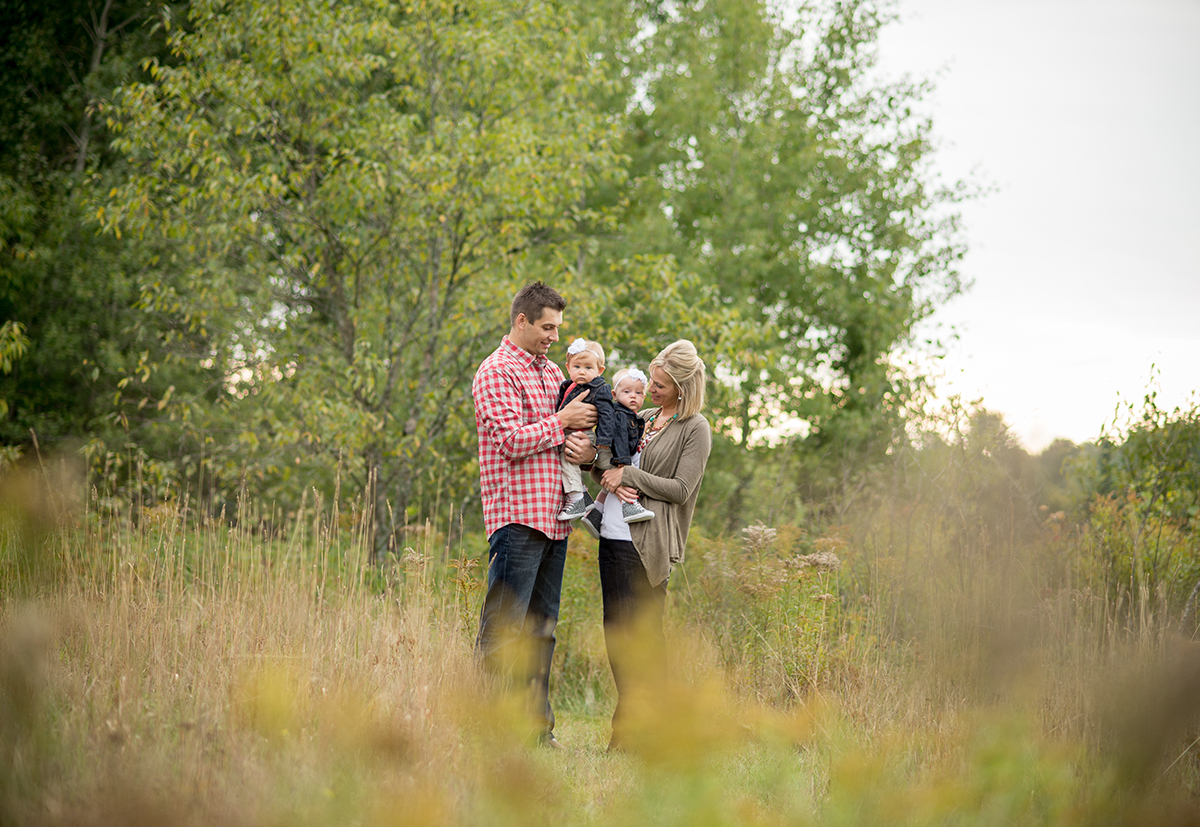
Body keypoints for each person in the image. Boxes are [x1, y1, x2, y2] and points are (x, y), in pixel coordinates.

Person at [471, 281, 598, 749]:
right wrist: (563, 422)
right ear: (521, 320)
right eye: (547, 327)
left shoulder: (551, 375)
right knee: (503, 631)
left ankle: (537, 733)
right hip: (517, 518)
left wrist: (582, 449)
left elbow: (562, 446)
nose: (553, 336)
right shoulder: (496, 371)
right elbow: (510, 441)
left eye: (558, 328)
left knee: (542, 631)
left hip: (556, 520)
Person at [591, 339, 711, 750]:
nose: (651, 389)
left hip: (648, 545)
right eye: (651, 380)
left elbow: (680, 489)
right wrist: (596, 462)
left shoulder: (694, 428)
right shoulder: (641, 416)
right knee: (616, 635)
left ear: (681, 386)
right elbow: (610, 470)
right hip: (611, 537)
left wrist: (628, 475)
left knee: (643, 640)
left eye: (660, 384)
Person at [555, 341, 653, 524]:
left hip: (589, 436)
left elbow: (608, 416)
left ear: (599, 371)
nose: (582, 371)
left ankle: (627, 504)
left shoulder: (599, 389)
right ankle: (586, 501)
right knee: (599, 470)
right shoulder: (567, 385)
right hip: (571, 433)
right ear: (568, 367)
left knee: (608, 469)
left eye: (588, 367)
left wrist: (603, 441)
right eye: (577, 366)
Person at [579, 366, 652, 537]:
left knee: (611, 483)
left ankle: (595, 513)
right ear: (614, 394)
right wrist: (623, 464)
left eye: (638, 393)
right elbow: (619, 439)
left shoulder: (631, 415)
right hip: (613, 455)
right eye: (627, 391)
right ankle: (629, 506)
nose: (633, 395)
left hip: (611, 454)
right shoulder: (620, 414)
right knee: (624, 478)